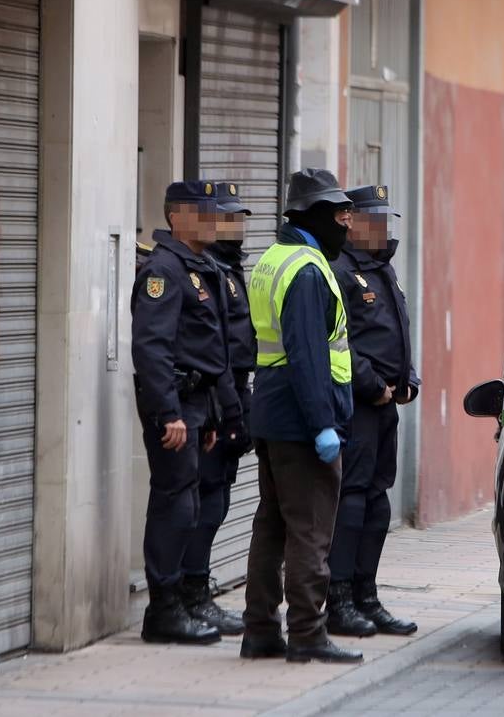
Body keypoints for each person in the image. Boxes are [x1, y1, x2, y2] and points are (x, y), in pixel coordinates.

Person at [241, 168, 361, 664]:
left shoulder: (274, 257)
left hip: (272, 409)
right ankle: (308, 633)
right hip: (301, 417)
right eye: (339, 214)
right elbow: (308, 354)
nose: (348, 224)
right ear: (313, 214)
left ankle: (261, 630)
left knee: (271, 525)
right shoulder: (308, 270)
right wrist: (323, 426)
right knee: (310, 529)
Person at [131, 180, 244, 645]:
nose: (216, 221)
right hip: (176, 407)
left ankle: (182, 601)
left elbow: (211, 349)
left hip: (200, 405)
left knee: (192, 504)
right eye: (205, 212)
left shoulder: (200, 268)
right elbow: (152, 348)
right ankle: (163, 610)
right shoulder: (163, 270)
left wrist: (215, 417)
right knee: (174, 504)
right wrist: (168, 412)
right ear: (177, 215)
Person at [326, 184, 420, 638]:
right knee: (353, 502)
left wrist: (409, 382)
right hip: (358, 406)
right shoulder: (339, 271)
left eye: (387, 221)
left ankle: (367, 594)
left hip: (386, 407)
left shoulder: (382, 271)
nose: (383, 229)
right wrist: (374, 386)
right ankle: (338, 598)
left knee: (377, 503)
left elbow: (397, 333)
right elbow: (337, 343)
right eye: (374, 220)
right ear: (351, 223)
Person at [172, 181, 258, 636]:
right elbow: (216, 348)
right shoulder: (206, 270)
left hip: (233, 390)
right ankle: (192, 592)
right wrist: (230, 408)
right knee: (206, 498)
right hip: (215, 395)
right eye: (226, 217)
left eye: (238, 217)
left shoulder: (226, 268)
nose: (235, 225)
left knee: (219, 496)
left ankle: (197, 587)